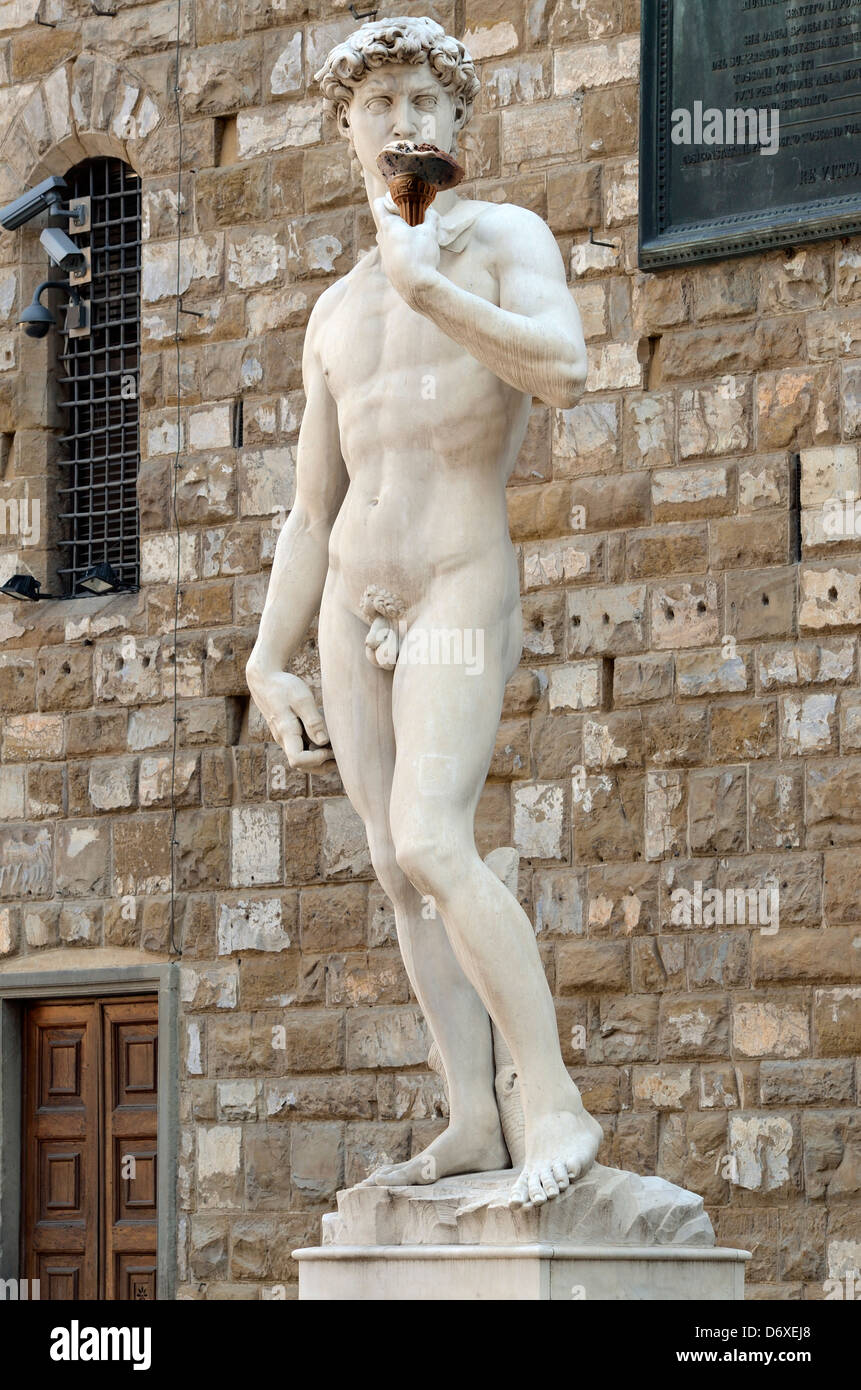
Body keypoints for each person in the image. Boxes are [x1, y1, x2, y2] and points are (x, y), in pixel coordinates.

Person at [246, 16, 601, 1208]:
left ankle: (548, 1094)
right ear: (349, 131)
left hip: (457, 578)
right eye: (380, 103)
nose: (403, 121)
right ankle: (470, 1115)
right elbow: (308, 508)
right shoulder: (334, 314)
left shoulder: (501, 241)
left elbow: (565, 367)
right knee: (398, 877)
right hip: (354, 597)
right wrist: (265, 658)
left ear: (455, 124)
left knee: (433, 837)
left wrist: (431, 288)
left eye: (422, 100)